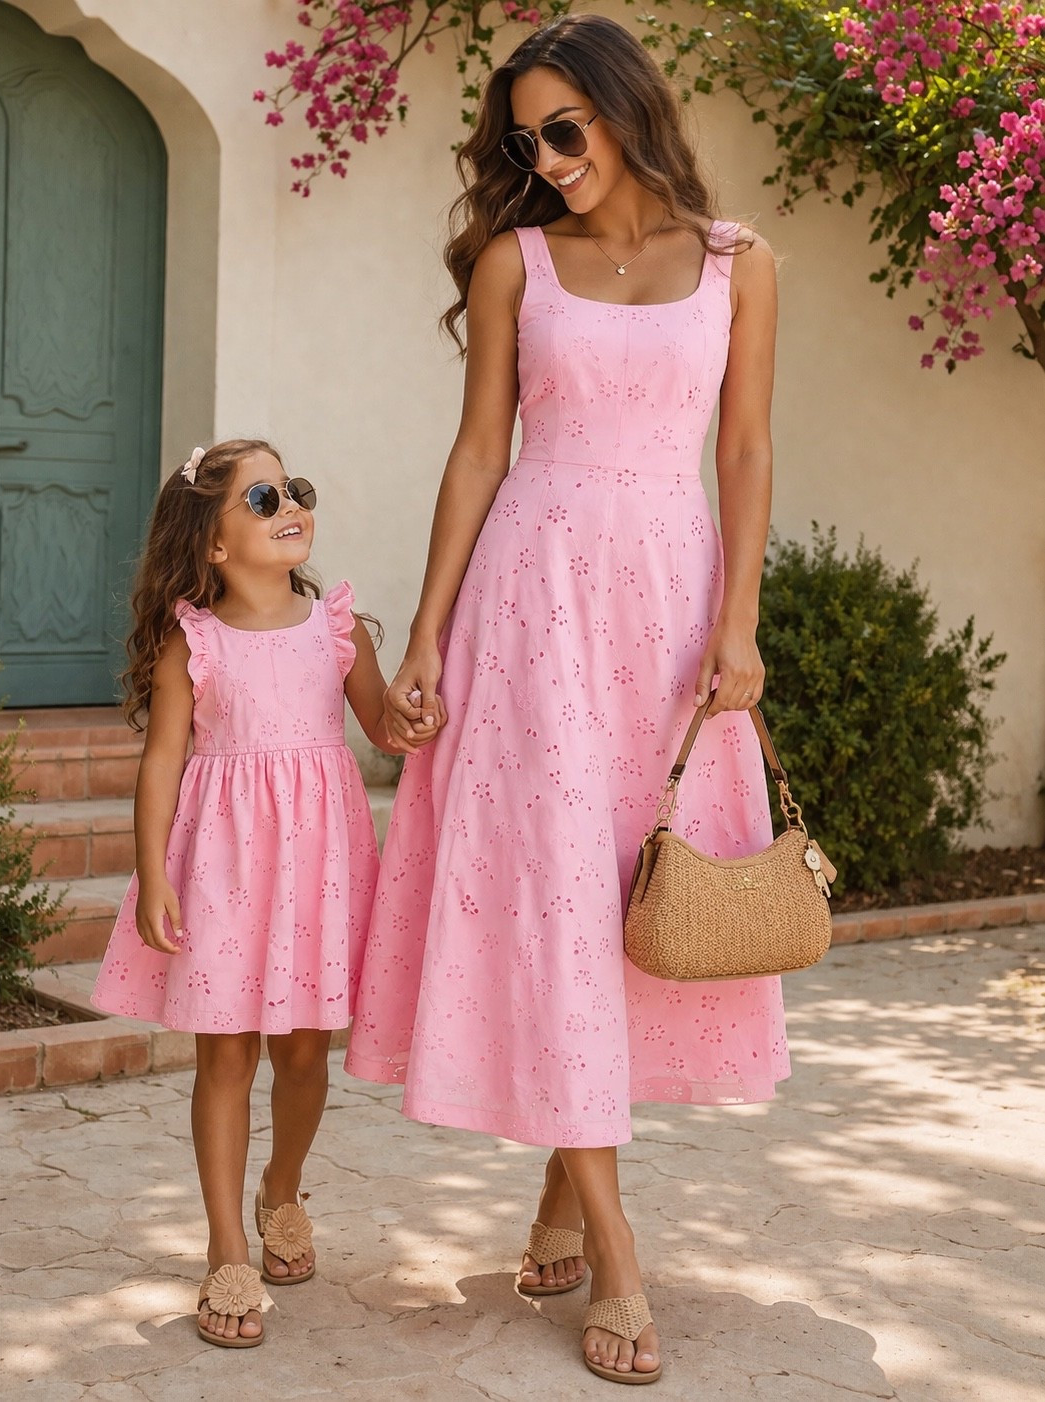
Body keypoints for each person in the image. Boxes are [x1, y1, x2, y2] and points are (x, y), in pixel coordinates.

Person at [345, 13, 789, 1386]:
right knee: (549, 893)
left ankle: (557, 1185)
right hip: (530, 611)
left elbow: (749, 447)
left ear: (621, 109)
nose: (542, 157)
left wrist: (742, 626)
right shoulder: (511, 261)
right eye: (519, 139)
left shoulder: (738, 263)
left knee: (625, 895)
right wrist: (423, 635)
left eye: (563, 129)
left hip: (665, 610)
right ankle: (612, 1247)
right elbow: (480, 450)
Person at [91, 439, 441, 1349]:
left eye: (295, 490)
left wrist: (413, 717)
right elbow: (164, 758)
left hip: (319, 866)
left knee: (301, 1056)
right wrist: (155, 871)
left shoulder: (337, 628)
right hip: (222, 865)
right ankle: (224, 1247)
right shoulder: (191, 640)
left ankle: (282, 1185)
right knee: (225, 1059)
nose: (289, 504)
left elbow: (380, 729)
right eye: (262, 496)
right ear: (210, 542)